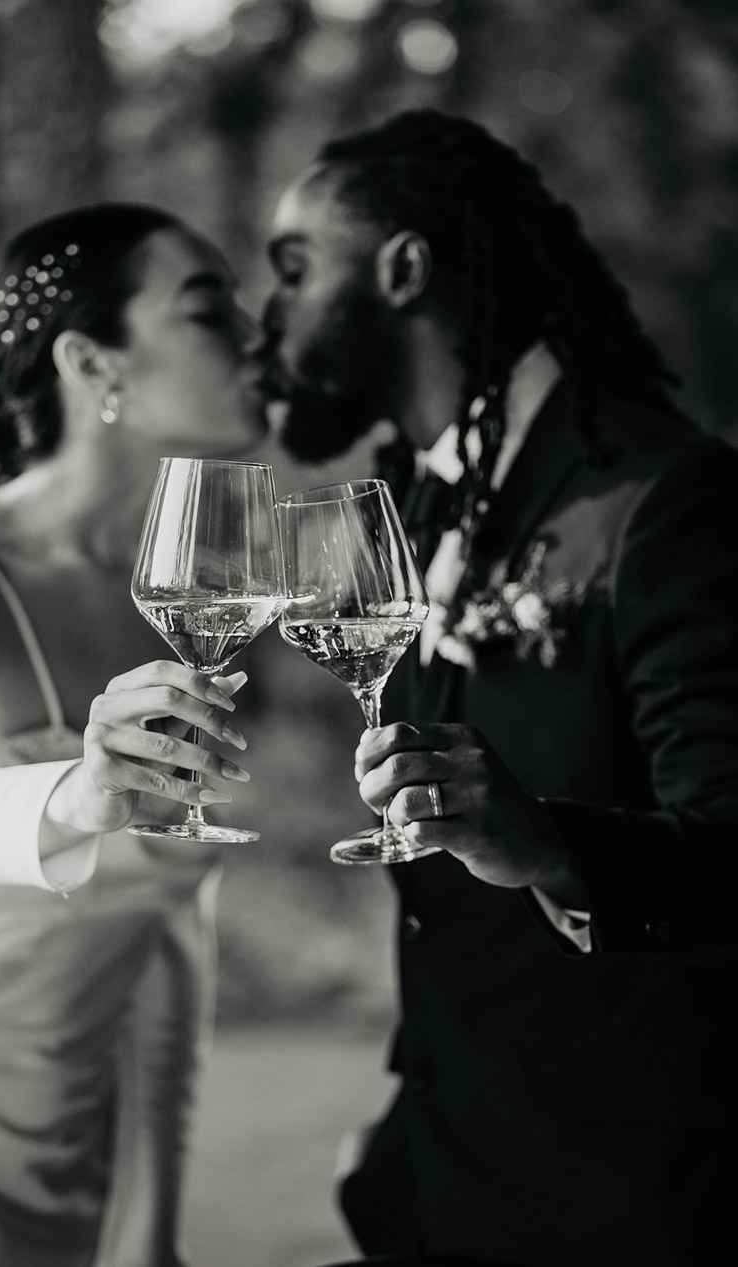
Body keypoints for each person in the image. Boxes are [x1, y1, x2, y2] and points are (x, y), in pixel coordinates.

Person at [259, 110, 738, 1266]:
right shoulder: (407, 501)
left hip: (631, 1203)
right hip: (440, 1177)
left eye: (291, 267)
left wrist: (547, 847)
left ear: (402, 269)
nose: (266, 316)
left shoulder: (660, 498)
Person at [0, 202, 266, 1267]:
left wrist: (151, 1215)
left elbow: (167, 917)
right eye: (208, 309)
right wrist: (76, 794)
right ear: (92, 361)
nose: (252, 336)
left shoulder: (202, 593)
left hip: (94, 1103)